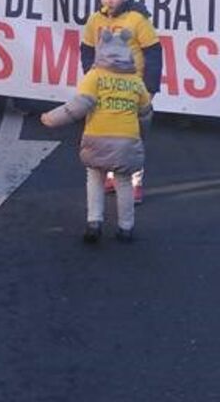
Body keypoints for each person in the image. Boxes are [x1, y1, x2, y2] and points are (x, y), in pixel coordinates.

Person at [41, 26, 152, 244]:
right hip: (127, 140)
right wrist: (141, 136)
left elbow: (79, 106)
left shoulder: (95, 77)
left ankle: (94, 222)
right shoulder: (136, 82)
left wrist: (51, 119)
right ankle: (126, 227)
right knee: (124, 183)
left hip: (97, 137)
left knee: (94, 178)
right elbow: (146, 113)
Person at [82, 0, 162, 204]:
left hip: (132, 87)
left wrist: (150, 87)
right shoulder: (95, 19)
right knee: (108, 134)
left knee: (132, 136)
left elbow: (153, 52)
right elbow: (86, 48)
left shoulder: (137, 20)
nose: (109, 1)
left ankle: (134, 181)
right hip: (105, 87)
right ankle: (111, 175)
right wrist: (90, 75)